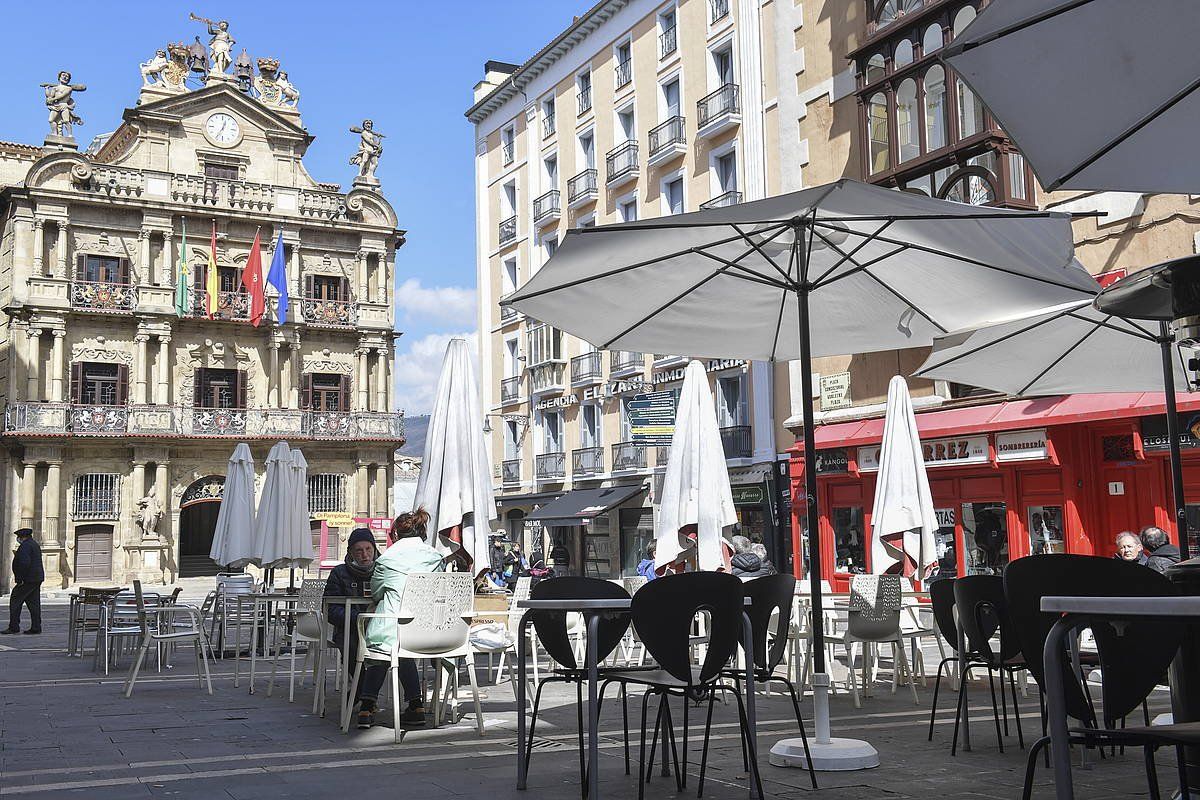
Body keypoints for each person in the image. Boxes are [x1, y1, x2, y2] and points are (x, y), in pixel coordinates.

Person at [356, 508, 447, 730]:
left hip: (394, 631)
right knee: (403, 646)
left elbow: (377, 593)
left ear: (395, 534)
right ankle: (416, 705)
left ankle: (367, 706)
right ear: (422, 532)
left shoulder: (386, 559)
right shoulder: (436, 557)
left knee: (385, 643)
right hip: (430, 632)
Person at [324, 528, 419, 729]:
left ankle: (365, 699)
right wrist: (359, 619)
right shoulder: (339, 573)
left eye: (368, 549)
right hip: (351, 628)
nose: (365, 555)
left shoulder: (384, 569)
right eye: (359, 551)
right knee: (358, 645)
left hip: (383, 626)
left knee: (394, 645)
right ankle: (372, 699)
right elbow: (331, 610)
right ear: (350, 552)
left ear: (375, 550)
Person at [4, 528, 42, 635]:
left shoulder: (25, 546)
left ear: (22, 537)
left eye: (19, 537)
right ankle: (36, 627)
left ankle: (14, 626)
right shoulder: (34, 544)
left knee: (15, 600)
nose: (18, 539)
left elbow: (24, 563)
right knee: (34, 603)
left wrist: (19, 579)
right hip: (36, 578)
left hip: (27, 579)